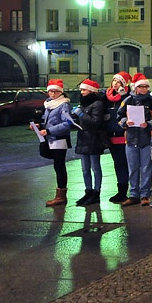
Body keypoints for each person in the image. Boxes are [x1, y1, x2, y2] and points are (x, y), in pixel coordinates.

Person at [117, 73, 152, 206]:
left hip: (146, 139)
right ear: (136, 88)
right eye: (141, 87)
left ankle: (145, 194)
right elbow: (119, 116)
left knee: (146, 168)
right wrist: (125, 122)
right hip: (131, 139)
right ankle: (134, 194)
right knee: (133, 168)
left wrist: (149, 124)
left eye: (146, 87)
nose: (144, 89)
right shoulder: (128, 100)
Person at [37, 79, 74, 207]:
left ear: (60, 92)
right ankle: (60, 195)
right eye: (50, 91)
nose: (52, 93)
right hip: (50, 138)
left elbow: (67, 123)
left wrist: (49, 130)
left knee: (59, 166)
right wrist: (39, 125)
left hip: (59, 139)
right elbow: (49, 121)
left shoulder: (63, 105)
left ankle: (61, 195)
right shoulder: (49, 104)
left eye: (55, 91)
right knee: (47, 155)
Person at [73, 79, 107, 207]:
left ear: (91, 90)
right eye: (81, 90)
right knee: (84, 169)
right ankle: (88, 191)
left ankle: (96, 192)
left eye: (84, 90)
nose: (82, 92)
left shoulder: (97, 103)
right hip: (83, 138)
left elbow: (95, 122)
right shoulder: (84, 102)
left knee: (95, 167)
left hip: (93, 138)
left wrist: (81, 114)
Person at [104, 72, 131, 204]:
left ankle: (124, 191)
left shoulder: (127, 97)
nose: (115, 83)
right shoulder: (108, 97)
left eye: (119, 81)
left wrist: (123, 95)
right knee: (118, 164)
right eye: (114, 80)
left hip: (123, 136)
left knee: (124, 164)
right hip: (111, 137)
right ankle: (121, 190)